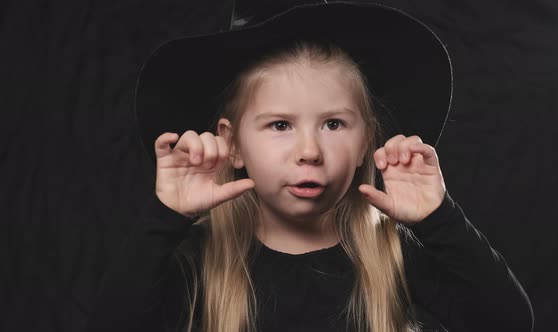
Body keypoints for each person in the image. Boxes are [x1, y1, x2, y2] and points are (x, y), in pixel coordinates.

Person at [86, 2, 533, 332]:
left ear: (367, 142)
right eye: (280, 124)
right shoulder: (205, 260)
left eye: (334, 124)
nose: (310, 151)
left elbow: (507, 322)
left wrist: (440, 218)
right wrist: (166, 217)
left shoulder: (391, 254)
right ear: (232, 144)